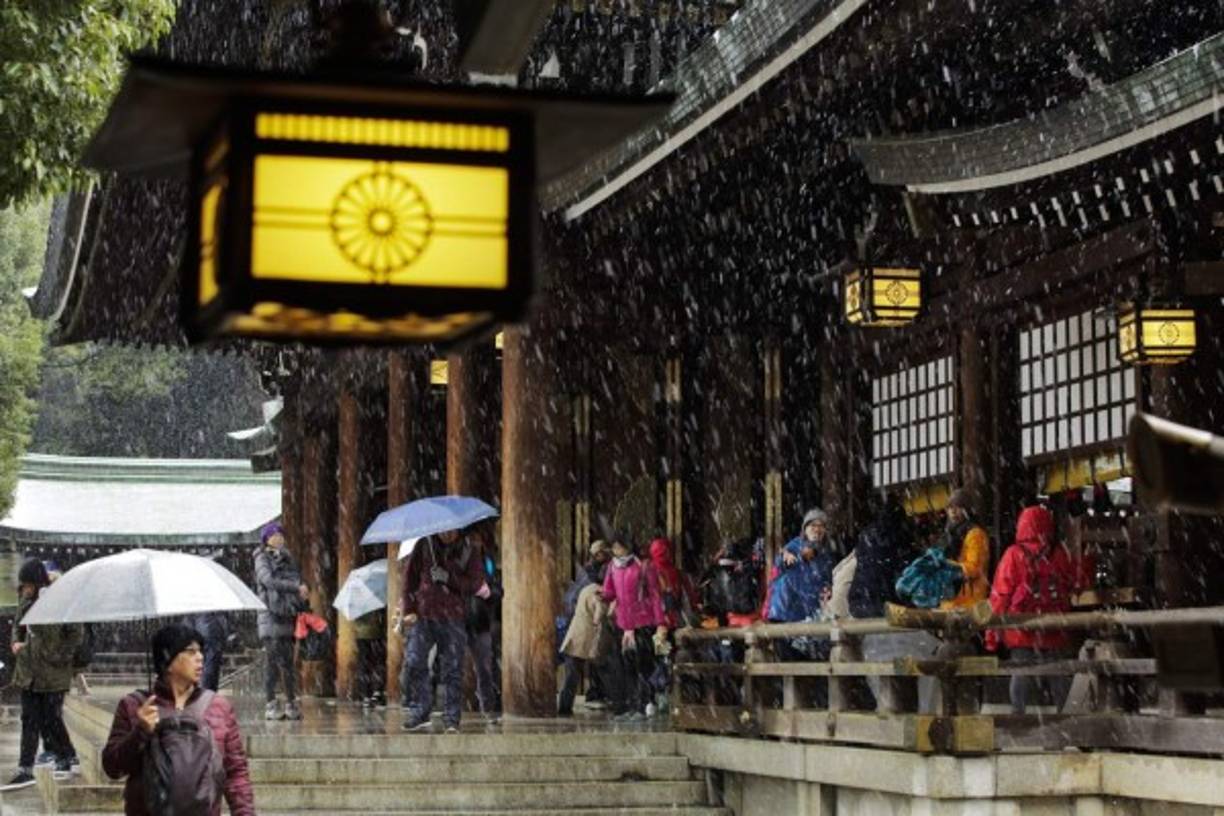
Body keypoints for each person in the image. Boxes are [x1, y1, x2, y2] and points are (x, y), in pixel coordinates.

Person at [102, 624, 255, 816]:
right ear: (168, 660)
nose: (200, 658)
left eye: (200, 651)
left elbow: (236, 773)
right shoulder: (134, 706)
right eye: (190, 652)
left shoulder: (218, 707)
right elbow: (112, 767)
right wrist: (140, 732)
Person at [986, 505, 1076, 714]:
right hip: (1053, 626)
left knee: (1021, 674)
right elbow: (1072, 583)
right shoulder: (1059, 553)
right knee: (1059, 675)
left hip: (1021, 628)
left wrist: (992, 633)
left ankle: (1018, 720)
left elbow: (1000, 596)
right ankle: (1067, 721)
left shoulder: (1013, 555)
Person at [3, 559, 82, 791]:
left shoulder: (60, 601)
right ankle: (25, 769)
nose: (25, 589)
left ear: (37, 583)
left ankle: (68, 757)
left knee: (52, 719)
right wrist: (16, 643)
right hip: (29, 671)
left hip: (53, 673)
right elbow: (17, 627)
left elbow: (75, 635)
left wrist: (56, 656)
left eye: (28, 585)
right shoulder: (25, 601)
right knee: (29, 719)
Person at [399, 526, 484, 733]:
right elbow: (409, 579)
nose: (446, 535)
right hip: (424, 614)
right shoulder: (424, 545)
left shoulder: (468, 550)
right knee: (414, 661)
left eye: (451, 531)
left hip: (453, 617)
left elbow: (475, 584)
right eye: (443, 531)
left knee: (453, 668)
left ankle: (451, 717)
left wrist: (449, 578)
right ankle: (421, 709)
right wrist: (409, 609)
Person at [601, 538, 666, 720]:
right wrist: (604, 596)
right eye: (614, 546)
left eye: (620, 545)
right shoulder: (612, 567)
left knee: (643, 665)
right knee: (625, 666)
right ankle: (629, 705)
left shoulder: (643, 566)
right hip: (623, 623)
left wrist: (660, 622)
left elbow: (654, 594)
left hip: (642, 622)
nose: (617, 549)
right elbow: (609, 591)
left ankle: (643, 704)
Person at [252, 522, 308, 721]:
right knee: (272, 662)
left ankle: (291, 703)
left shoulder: (288, 557)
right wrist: (294, 587)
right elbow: (268, 581)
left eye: (281, 535)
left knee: (288, 664)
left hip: (287, 614)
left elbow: (297, 577)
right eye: (274, 535)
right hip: (270, 616)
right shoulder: (261, 558)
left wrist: (300, 591)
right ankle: (270, 704)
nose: (279, 538)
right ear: (266, 539)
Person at [558, 577, 614, 716]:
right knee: (603, 672)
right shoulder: (598, 592)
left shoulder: (585, 589)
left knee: (571, 676)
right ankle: (616, 703)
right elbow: (599, 615)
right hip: (587, 638)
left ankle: (564, 707)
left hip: (575, 636)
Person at [465, 530, 502, 716]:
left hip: (481, 621)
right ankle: (454, 709)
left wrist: (488, 592)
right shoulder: (453, 561)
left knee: (485, 668)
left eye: (476, 538)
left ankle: (487, 707)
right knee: (452, 667)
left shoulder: (487, 563)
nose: (474, 542)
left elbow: (498, 590)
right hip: (458, 621)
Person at [939, 489, 991, 610]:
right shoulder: (950, 533)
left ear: (966, 510)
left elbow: (975, 568)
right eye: (950, 507)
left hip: (969, 599)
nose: (953, 511)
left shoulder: (975, 534)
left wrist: (945, 566)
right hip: (953, 599)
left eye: (957, 507)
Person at [185, 612, 229, 693]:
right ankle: (205, 693)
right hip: (211, 631)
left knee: (197, 664)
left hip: (194, 629)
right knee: (210, 666)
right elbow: (222, 618)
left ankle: (197, 692)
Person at [353, 608, 387, 708]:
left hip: (360, 636)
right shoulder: (375, 601)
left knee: (363, 664)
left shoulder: (355, 600)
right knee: (378, 662)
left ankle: (365, 694)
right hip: (375, 634)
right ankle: (377, 691)